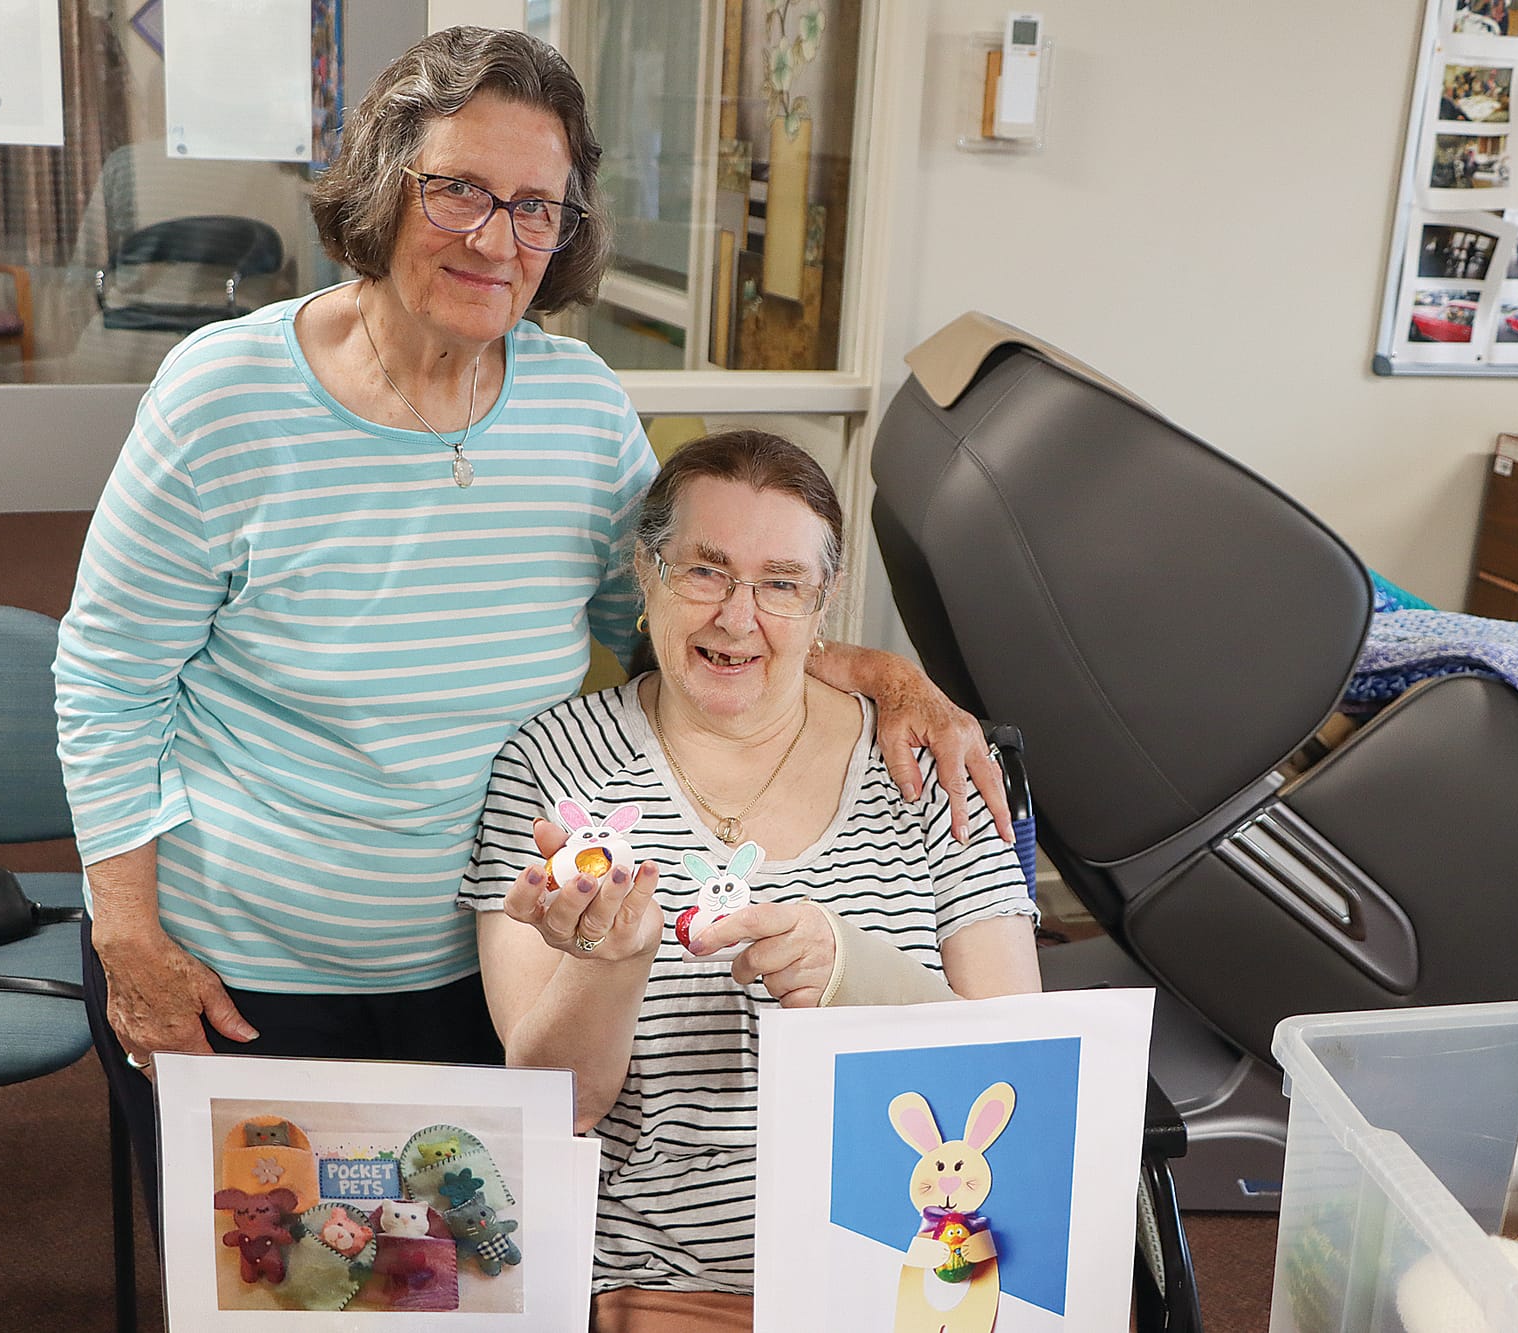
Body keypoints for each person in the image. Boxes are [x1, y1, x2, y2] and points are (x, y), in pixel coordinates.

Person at [53, 28, 1007, 1223]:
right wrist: (127, 932)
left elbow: (667, 621)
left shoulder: (578, 408)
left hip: (485, 968)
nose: (495, 238)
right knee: (281, 1276)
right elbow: (105, 683)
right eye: (457, 189)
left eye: (535, 207)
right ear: (382, 187)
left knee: (454, 1277)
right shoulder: (222, 397)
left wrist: (871, 672)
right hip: (247, 965)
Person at [461, 431, 1041, 1333]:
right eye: (704, 570)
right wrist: (611, 961)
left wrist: (852, 976)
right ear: (645, 575)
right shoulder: (552, 766)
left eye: (780, 583)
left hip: (918, 1266)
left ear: (824, 602)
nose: (738, 617)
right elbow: (557, 1103)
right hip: (668, 1279)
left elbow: (1022, 1068)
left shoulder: (924, 762)